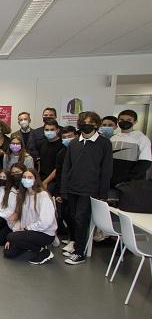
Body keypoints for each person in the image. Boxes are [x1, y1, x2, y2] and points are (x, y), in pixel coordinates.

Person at [61, 111, 112, 265]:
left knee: (81, 219)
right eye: (82, 122)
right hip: (72, 188)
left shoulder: (104, 143)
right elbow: (66, 168)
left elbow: (106, 170)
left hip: (90, 190)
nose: (85, 125)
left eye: (89, 122)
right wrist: (64, 189)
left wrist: (103, 193)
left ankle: (80, 253)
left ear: (96, 124)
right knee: (72, 217)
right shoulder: (74, 143)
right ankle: (76, 243)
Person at [4, 168, 57, 265]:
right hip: (29, 231)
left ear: (35, 179)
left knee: (11, 237)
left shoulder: (43, 195)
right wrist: (14, 235)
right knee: (8, 253)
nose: (26, 179)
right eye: (24, 177)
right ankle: (29, 246)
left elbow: (46, 222)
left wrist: (23, 231)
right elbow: (21, 219)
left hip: (44, 233)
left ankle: (42, 250)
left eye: (30, 177)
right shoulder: (23, 195)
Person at [110, 109, 151, 188]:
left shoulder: (142, 138)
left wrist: (128, 180)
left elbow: (145, 163)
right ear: (118, 122)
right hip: (112, 182)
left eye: (129, 120)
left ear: (135, 122)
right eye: (121, 120)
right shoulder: (113, 138)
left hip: (131, 184)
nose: (125, 122)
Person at [54, 127, 76, 253]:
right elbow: (59, 174)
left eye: (70, 136)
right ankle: (71, 237)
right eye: (64, 137)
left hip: (76, 189)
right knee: (66, 214)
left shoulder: (80, 151)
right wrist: (58, 192)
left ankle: (74, 240)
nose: (67, 139)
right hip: (64, 188)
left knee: (74, 216)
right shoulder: (61, 153)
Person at [38, 119, 63, 193]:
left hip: (54, 181)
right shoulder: (42, 143)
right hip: (41, 179)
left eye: (52, 129)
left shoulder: (62, 145)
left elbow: (58, 168)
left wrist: (45, 182)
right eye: (47, 130)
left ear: (57, 130)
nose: (49, 132)